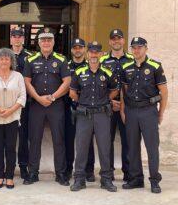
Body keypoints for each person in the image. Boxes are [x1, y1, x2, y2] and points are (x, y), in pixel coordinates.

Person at [23, 28, 71, 186]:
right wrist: (38, 98)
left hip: (55, 105)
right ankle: (33, 173)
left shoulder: (61, 59)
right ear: (38, 42)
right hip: (36, 106)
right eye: (43, 39)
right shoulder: (30, 60)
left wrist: (53, 97)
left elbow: (67, 81)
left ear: (53, 42)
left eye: (49, 39)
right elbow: (27, 81)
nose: (46, 42)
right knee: (34, 139)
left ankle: (61, 173)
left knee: (59, 139)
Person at [69, 42, 119, 192]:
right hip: (84, 115)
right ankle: (79, 179)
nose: (93, 55)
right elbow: (73, 93)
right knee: (81, 147)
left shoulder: (107, 73)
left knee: (104, 147)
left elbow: (115, 90)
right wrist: (84, 103)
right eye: (91, 52)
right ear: (87, 54)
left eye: (96, 52)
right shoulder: (79, 72)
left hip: (102, 114)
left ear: (101, 54)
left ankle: (106, 179)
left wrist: (103, 101)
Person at [121, 37, 168, 194]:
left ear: (146, 48)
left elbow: (164, 92)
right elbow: (124, 91)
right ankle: (136, 179)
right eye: (134, 47)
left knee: (151, 147)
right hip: (131, 111)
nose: (136, 50)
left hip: (149, 111)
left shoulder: (155, 66)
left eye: (139, 47)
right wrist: (123, 110)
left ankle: (154, 180)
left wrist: (160, 112)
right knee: (132, 146)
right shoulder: (126, 67)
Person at [0, 48, 26, 189]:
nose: (4, 61)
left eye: (7, 59)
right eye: (1, 59)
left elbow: (22, 97)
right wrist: (0, 110)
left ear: (11, 61)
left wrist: (10, 111)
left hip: (13, 118)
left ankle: (9, 176)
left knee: (10, 148)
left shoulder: (18, 76)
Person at [100, 29, 134, 181]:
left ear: (124, 41)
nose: (116, 41)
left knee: (128, 140)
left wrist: (124, 103)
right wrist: (109, 100)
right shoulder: (102, 61)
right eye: (113, 39)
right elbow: (99, 85)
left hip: (128, 107)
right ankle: (108, 172)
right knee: (107, 141)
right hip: (109, 106)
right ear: (109, 42)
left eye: (119, 38)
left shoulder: (133, 60)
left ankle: (128, 172)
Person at [64, 38, 96, 182]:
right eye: (75, 47)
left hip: (86, 108)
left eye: (80, 47)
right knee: (69, 140)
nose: (78, 50)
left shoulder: (90, 65)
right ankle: (68, 169)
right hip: (69, 107)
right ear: (72, 50)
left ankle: (89, 170)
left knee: (87, 140)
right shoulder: (66, 65)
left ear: (85, 50)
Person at [9, 27, 33, 179]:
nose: (17, 39)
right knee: (8, 137)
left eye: (19, 36)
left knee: (24, 137)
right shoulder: (4, 56)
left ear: (23, 39)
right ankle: (8, 166)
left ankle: (24, 166)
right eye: (14, 36)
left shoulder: (30, 57)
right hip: (8, 104)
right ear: (10, 39)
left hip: (25, 104)